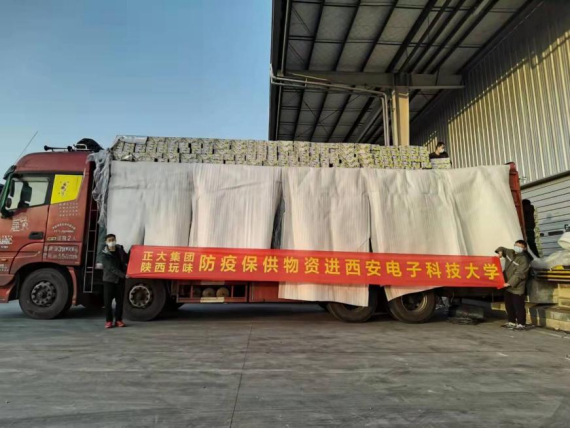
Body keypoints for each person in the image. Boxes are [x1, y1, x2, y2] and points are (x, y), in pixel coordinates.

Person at [495, 240, 531, 331]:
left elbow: (519, 274)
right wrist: (500, 252)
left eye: (520, 247)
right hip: (507, 286)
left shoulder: (524, 260)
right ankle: (511, 321)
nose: (517, 248)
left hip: (517, 286)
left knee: (518, 306)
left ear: (524, 248)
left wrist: (509, 283)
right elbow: (502, 248)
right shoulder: (510, 252)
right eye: (516, 245)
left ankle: (521, 323)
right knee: (509, 305)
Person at [100, 234, 129, 329]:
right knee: (107, 302)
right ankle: (109, 321)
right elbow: (111, 268)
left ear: (115, 240)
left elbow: (127, 258)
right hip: (109, 280)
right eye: (109, 240)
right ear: (106, 242)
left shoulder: (120, 250)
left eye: (113, 239)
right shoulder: (104, 254)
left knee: (120, 301)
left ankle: (118, 320)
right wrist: (123, 275)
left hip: (120, 281)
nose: (111, 242)